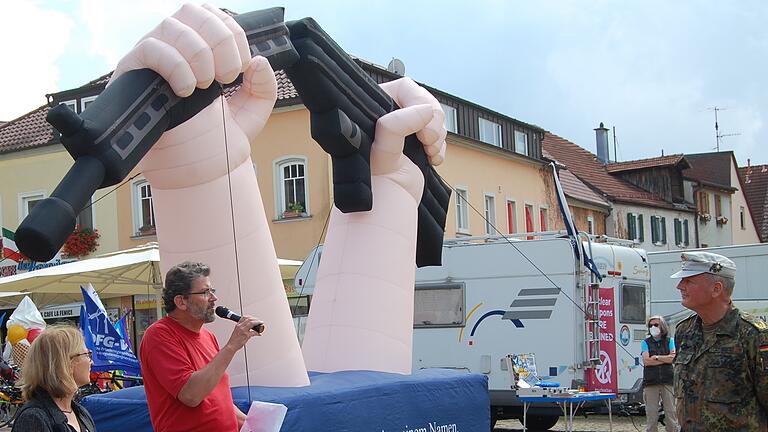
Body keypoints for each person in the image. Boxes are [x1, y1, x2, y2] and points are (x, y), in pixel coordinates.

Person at [140, 262, 264, 432]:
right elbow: (191, 395)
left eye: (212, 291)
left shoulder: (208, 336)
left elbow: (216, 398)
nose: (214, 298)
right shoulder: (159, 335)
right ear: (181, 301)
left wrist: (253, 424)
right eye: (206, 292)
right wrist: (232, 346)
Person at [672, 251, 767, 431]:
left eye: (688, 281)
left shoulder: (753, 335)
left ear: (716, 289)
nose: (679, 286)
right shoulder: (684, 332)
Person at [12, 325, 97, 432]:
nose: (91, 361)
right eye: (86, 355)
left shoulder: (80, 413)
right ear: (65, 363)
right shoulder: (33, 418)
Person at [640, 315, 678, 432]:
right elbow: (646, 361)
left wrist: (656, 357)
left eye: (656, 325)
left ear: (662, 326)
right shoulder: (645, 342)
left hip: (668, 381)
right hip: (651, 382)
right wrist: (664, 359)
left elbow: (673, 358)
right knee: (652, 416)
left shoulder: (670, 341)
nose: (653, 327)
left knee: (671, 414)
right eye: (650, 325)